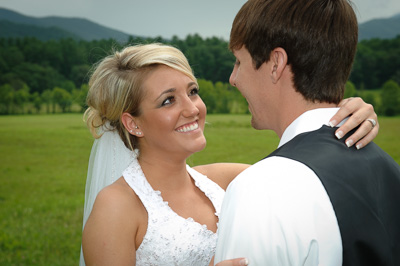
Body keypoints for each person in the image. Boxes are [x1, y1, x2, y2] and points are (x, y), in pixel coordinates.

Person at [79, 43, 378, 266]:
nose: (192, 108)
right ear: (134, 123)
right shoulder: (115, 206)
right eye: (168, 100)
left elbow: (306, 177)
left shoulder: (227, 179)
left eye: (192, 91)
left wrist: (346, 115)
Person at [214, 0, 400, 265]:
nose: (233, 78)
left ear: (276, 63)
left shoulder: (262, 189)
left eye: (238, 61)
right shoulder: (388, 167)